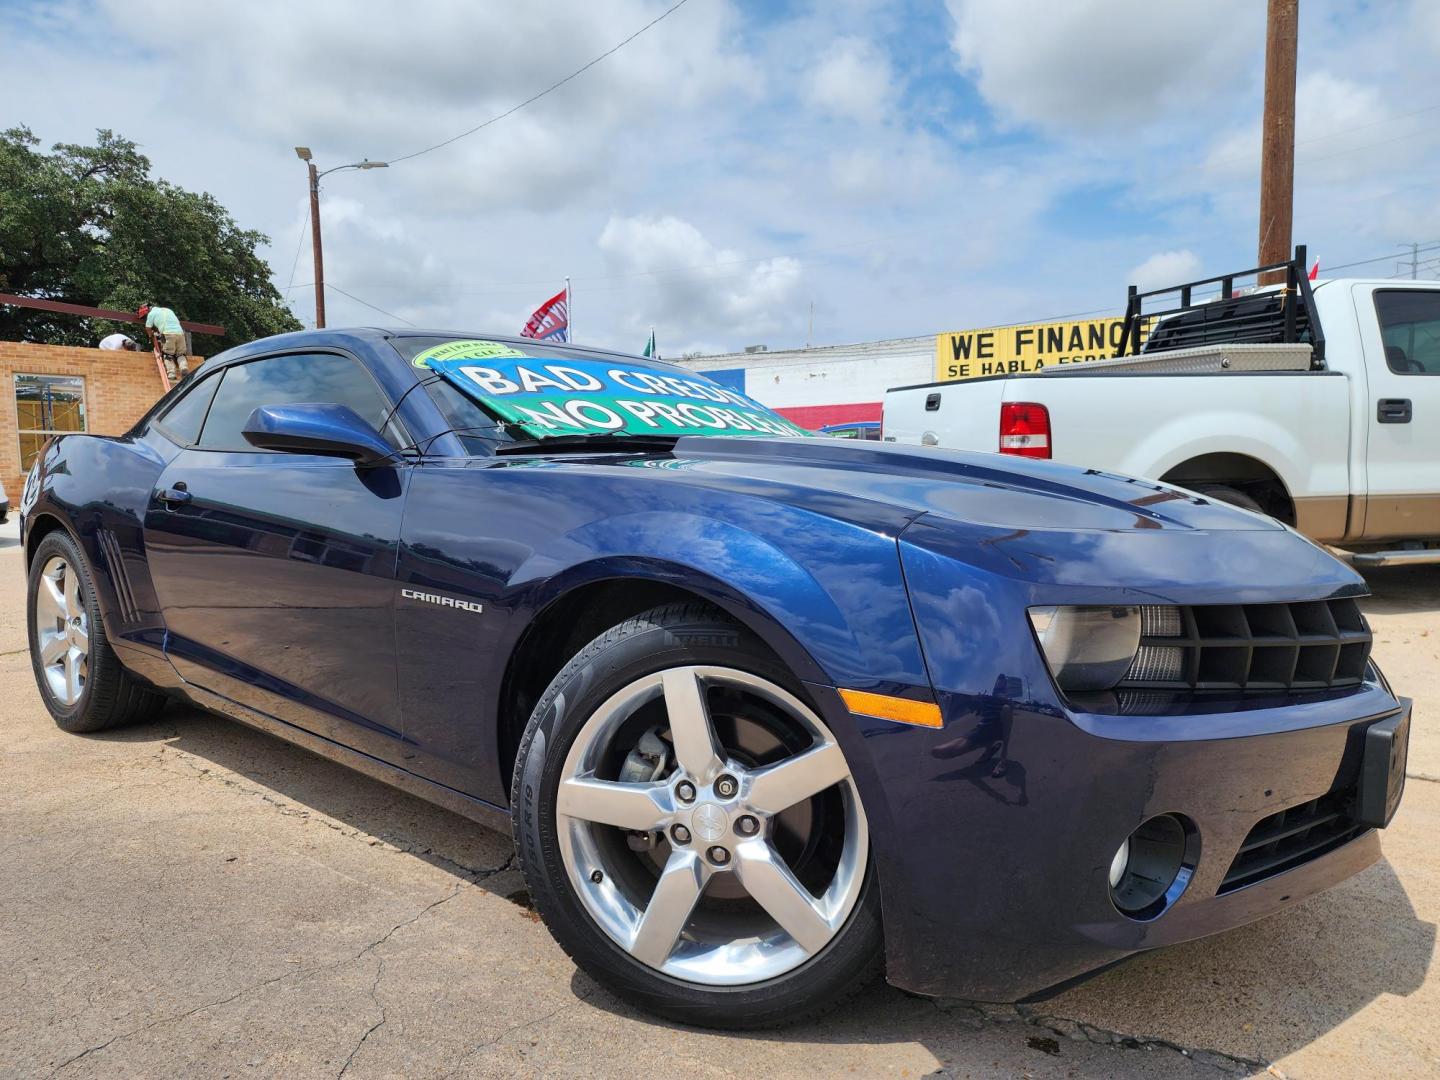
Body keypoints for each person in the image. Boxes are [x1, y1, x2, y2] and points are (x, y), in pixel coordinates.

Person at [138, 302, 190, 382]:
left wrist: (150, 335)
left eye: (145, 316)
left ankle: (171, 374)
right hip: (180, 333)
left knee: (168, 354)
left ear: (147, 311)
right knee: (181, 354)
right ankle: (184, 368)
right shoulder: (168, 310)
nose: (146, 317)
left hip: (167, 333)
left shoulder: (151, 314)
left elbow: (148, 328)